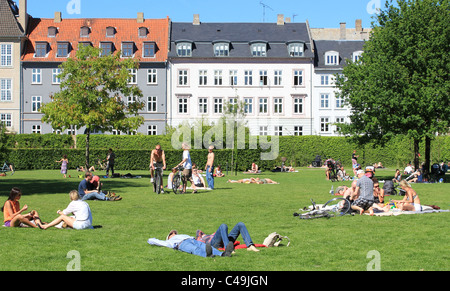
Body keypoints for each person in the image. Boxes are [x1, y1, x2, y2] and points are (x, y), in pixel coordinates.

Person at [147, 229, 234, 258]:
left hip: (192, 239)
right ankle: (207, 255)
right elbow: (156, 241)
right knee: (194, 250)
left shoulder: (181, 235)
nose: (174, 233)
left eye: (174, 233)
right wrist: (151, 239)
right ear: (169, 237)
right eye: (171, 233)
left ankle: (223, 254)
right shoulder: (169, 242)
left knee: (204, 246)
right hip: (182, 244)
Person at [195, 222, 260, 252]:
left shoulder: (212, 235)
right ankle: (228, 249)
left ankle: (250, 246)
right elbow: (198, 232)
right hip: (214, 243)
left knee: (240, 224)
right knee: (223, 225)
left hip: (225, 239)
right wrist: (202, 235)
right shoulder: (200, 239)